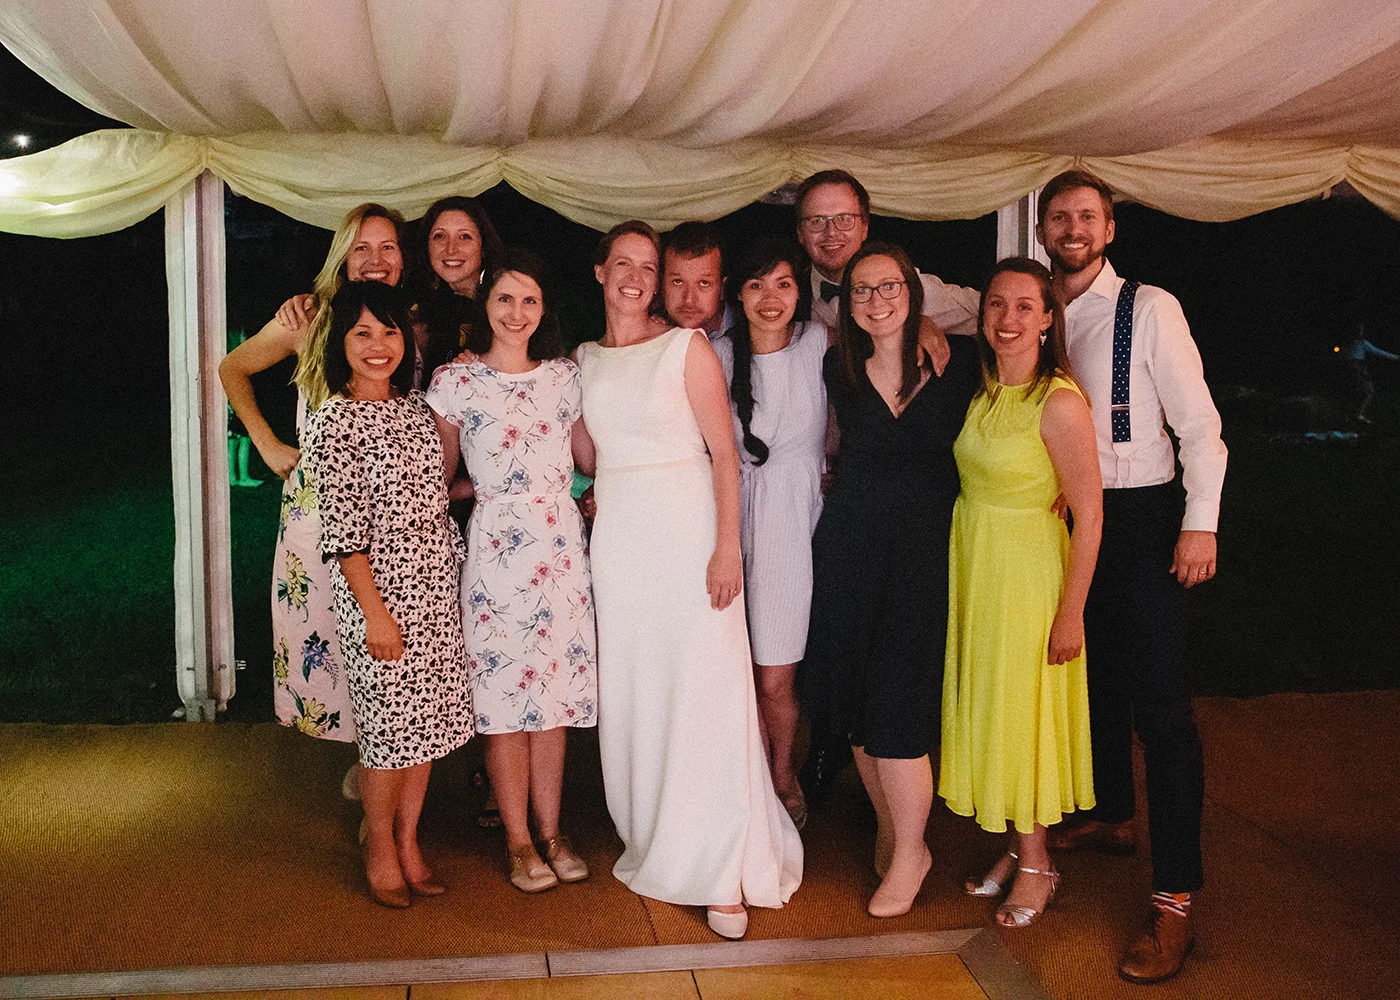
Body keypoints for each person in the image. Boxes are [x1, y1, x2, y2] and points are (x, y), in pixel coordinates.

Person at [577, 221, 802, 940]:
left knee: (706, 691)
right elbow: (583, 453)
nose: (636, 278)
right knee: (641, 689)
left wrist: (727, 547)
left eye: (648, 267)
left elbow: (725, 456)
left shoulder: (685, 347)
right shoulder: (583, 360)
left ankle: (721, 863)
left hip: (689, 536)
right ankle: (655, 833)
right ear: (600, 272)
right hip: (621, 544)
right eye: (624, 264)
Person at [1036, 169, 1227, 983]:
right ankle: (1113, 815)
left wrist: (1199, 522)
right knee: (1091, 681)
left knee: (1163, 712)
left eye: (1088, 216)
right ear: (1042, 231)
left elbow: (1201, 427)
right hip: (1063, 519)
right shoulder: (1037, 310)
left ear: (1109, 230)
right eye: (1060, 217)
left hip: (1143, 517)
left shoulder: (1150, 309)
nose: (1073, 229)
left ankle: (1174, 899)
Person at [803, 241, 981, 918]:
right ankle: (891, 829)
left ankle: (912, 850)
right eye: (862, 290)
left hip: (924, 558)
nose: (876, 301)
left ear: (912, 292)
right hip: (850, 551)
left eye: (889, 288)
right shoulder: (838, 367)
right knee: (855, 709)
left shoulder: (959, 362)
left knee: (899, 709)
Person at [218, 203, 407, 789]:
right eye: (361, 248)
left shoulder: (408, 322)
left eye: (388, 247)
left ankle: (382, 764)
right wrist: (266, 442)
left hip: (392, 515)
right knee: (332, 635)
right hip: (321, 512)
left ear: (403, 259)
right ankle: (364, 760)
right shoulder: (309, 318)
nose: (375, 260)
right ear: (342, 257)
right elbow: (232, 368)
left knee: (391, 642)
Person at [426, 249, 598, 894]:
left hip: (559, 548)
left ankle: (552, 833)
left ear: (544, 309)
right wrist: (494, 489)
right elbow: (440, 476)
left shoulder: (563, 377)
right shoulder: (456, 381)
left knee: (552, 702)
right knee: (504, 703)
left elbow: (588, 458)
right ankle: (518, 841)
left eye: (529, 300)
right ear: (485, 305)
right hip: (497, 552)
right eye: (504, 298)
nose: (517, 312)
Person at [940, 257, 1102, 928]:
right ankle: (1015, 844)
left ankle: (1038, 863)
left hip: (1029, 575)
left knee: (1023, 712)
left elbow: (1091, 516)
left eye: (1024, 306)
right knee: (995, 707)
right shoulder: (983, 391)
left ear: (1046, 319)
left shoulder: (1058, 401)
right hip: (978, 565)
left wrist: (1071, 613)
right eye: (996, 305)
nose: (1007, 318)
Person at [301, 281, 471, 909]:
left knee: (426, 730)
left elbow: (431, 496)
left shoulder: (417, 411)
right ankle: (378, 844)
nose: (378, 346)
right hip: (378, 597)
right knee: (387, 736)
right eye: (362, 333)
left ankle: (408, 840)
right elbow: (344, 535)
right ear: (340, 343)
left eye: (389, 331)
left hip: (434, 592)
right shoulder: (333, 421)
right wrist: (375, 616)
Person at [709, 237, 823, 830]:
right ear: (738, 294)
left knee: (776, 674)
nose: (770, 297)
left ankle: (782, 773)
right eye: (756, 285)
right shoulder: (716, 355)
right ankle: (747, 779)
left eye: (783, 283)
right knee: (733, 667)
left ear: (800, 290)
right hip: (726, 519)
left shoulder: (819, 342)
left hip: (792, 526)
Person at [662, 221, 733, 339]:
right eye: (678, 282)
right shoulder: (650, 329)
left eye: (704, 283)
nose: (689, 300)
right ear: (662, 285)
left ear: (722, 289)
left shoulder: (751, 328)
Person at [1340, 326, 1398, 423]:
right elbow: (1378, 352)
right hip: (1358, 368)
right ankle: (1357, 415)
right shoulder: (1361, 343)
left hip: (1352, 369)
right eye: (1360, 330)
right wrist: (1395, 357)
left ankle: (1350, 415)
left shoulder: (1350, 343)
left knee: (1355, 392)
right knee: (1367, 392)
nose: (1361, 333)